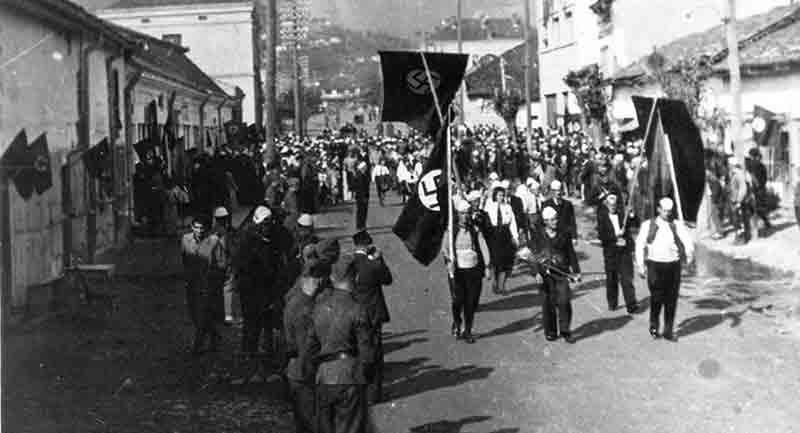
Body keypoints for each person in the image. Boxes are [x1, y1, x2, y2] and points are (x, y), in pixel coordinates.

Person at [309, 250, 375, 433]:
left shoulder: (319, 307)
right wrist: (365, 377)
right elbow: (368, 355)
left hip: (323, 376)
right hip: (349, 376)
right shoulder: (357, 309)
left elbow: (310, 347)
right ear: (353, 277)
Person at [283, 241, 335, 433]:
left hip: (295, 372)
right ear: (319, 280)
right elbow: (308, 349)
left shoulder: (293, 300)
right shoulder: (307, 310)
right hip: (306, 374)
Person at [635, 197, 695, 342]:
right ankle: (654, 325)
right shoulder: (648, 225)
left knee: (671, 300)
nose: (667, 214)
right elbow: (639, 244)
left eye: (670, 211)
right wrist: (640, 265)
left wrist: (689, 254)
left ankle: (668, 330)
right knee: (656, 297)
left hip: (673, 265)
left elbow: (687, 241)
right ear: (658, 209)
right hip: (654, 264)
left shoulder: (676, 225)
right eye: (665, 211)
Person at [233, 206, 287, 354]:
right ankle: (249, 352)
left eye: (269, 223)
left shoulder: (273, 237)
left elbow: (277, 261)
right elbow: (241, 266)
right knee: (251, 323)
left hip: (267, 287)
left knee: (267, 322)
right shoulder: (246, 240)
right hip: (251, 289)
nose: (268, 227)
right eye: (265, 223)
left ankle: (267, 352)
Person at [350, 230, 392, 403]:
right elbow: (387, 279)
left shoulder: (349, 264)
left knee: (358, 352)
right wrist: (379, 259)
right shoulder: (372, 264)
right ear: (368, 245)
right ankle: (373, 394)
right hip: (373, 313)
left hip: (354, 313)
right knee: (375, 353)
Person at [528, 206, 581, 343]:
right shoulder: (538, 235)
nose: (555, 222)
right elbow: (532, 255)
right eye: (551, 220)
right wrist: (535, 273)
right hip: (544, 274)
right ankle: (551, 331)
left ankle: (565, 330)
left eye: (556, 219)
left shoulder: (564, 233)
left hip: (561, 272)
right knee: (548, 303)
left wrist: (576, 271)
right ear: (545, 221)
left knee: (564, 302)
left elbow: (571, 253)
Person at [443, 198, 491, 344]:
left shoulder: (475, 230)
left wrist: (488, 266)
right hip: (458, 271)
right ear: (457, 214)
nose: (465, 216)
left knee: (471, 302)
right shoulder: (451, 231)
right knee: (458, 300)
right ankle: (457, 322)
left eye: (467, 213)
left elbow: (483, 247)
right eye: (462, 213)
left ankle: (468, 330)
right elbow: (445, 249)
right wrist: (449, 261)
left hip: (473, 270)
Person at [181, 215, 225, 354]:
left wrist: (216, 281)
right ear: (192, 228)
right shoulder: (185, 240)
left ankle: (198, 345)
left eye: (202, 228)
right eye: (196, 228)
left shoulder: (213, 241)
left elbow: (221, 263)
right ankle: (214, 335)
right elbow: (184, 259)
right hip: (192, 282)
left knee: (202, 313)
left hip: (207, 283)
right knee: (194, 312)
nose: (199, 231)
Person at [596, 191, 638, 314]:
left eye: (614, 205)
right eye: (610, 205)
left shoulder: (622, 215)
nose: (613, 207)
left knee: (626, 278)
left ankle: (631, 305)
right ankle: (612, 303)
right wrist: (615, 237)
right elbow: (602, 236)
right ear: (606, 204)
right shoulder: (602, 217)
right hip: (611, 252)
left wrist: (631, 214)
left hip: (624, 251)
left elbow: (635, 223)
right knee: (611, 278)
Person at [483, 186, 519, 295]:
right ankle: (495, 282)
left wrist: (515, 236)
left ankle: (502, 286)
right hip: (493, 235)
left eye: (503, 195)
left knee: (505, 261)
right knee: (495, 261)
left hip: (505, 234)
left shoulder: (508, 207)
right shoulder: (489, 207)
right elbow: (484, 221)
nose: (501, 197)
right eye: (499, 195)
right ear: (495, 196)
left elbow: (512, 223)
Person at [213, 206, 238, 325]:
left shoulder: (212, 231)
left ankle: (219, 315)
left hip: (217, 265)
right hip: (226, 264)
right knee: (228, 289)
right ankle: (227, 315)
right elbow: (232, 249)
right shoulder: (228, 233)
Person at [352, 161, 371, 230]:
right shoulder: (360, 175)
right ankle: (361, 225)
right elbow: (361, 187)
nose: (366, 168)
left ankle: (361, 224)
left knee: (362, 211)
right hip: (361, 196)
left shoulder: (362, 174)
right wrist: (364, 197)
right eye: (365, 167)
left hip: (362, 196)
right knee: (361, 211)